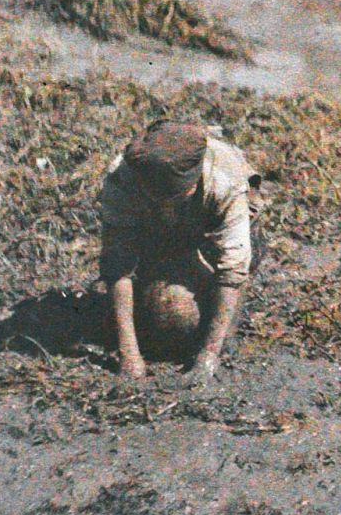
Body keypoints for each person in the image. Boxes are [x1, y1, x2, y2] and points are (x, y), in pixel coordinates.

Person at [99, 120, 259, 380]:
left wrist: (208, 356)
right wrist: (129, 355)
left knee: (218, 327)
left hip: (211, 223)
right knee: (172, 317)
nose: (163, 204)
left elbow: (233, 269)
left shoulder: (225, 180)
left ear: (192, 186)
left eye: (171, 199)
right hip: (159, 234)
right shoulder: (123, 178)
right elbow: (118, 264)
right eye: (155, 198)